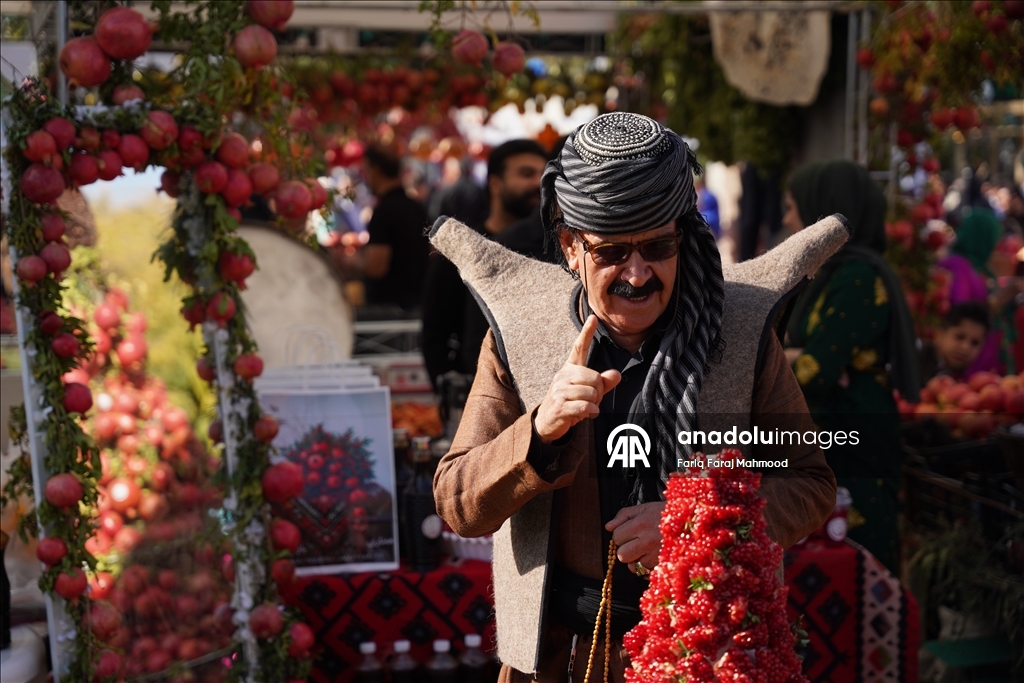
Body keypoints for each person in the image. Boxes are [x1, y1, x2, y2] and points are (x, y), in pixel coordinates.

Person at [431, 113, 839, 681]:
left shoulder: (742, 334)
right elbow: (457, 503)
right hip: (560, 662)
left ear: (683, 238)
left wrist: (690, 525)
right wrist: (538, 432)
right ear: (572, 247)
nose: (639, 273)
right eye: (612, 253)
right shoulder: (518, 338)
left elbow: (806, 479)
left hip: (708, 658)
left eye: (658, 245)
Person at [782, 159, 920, 573]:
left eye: (793, 207)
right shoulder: (828, 273)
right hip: (830, 428)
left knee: (858, 557)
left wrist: (782, 359)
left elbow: (814, 370)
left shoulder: (857, 276)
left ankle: (868, 638)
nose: (787, 218)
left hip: (853, 429)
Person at [421, 139, 548, 385]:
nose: (537, 183)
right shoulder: (459, 251)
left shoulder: (552, 249)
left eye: (543, 175)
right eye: (526, 174)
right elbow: (435, 336)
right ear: (495, 184)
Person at [346, 144, 429, 315]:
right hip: (417, 305)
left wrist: (354, 262)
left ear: (375, 171)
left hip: (389, 313)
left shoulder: (384, 212)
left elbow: (377, 267)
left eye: (366, 171)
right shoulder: (416, 207)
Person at [938, 208, 1022, 375]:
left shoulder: (980, 268)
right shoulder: (957, 265)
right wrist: (1003, 296)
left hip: (982, 366)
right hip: (967, 367)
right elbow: (963, 314)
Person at [919, 302, 990, 385]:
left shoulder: (963, 380)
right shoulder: (914, 352)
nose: (965, 347)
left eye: (975, 343)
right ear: (940, 333)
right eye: (959, 337)